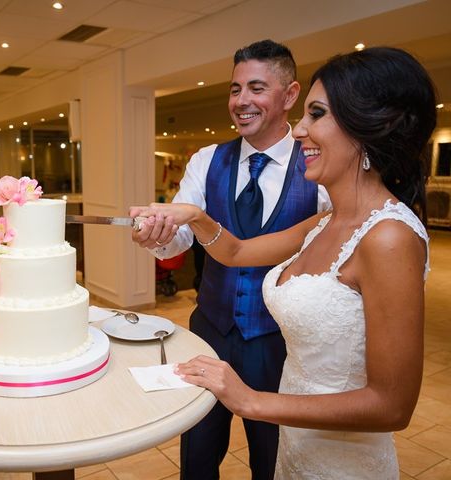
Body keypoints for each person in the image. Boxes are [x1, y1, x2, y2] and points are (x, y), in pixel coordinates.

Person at [131, 46, 436, 479]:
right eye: (235, 89)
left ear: (367, 127)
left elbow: (392, 405)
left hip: (339, 456)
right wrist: (192, 216)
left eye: (317, 115)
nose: (299, 132)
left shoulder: (389, 236)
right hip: (297, 440)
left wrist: (250, 400)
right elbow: (236, 252)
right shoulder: (326, 221)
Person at [133, 39, 329, 480]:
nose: (241, 101)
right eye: (234, 89)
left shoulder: (318, 166)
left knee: (273, 456)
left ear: (290, 95)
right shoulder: (207, 160)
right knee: (197, 453)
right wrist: (156, 236)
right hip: (211, 331)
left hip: (280, 342)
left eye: (256, 88)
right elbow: (179, 237)